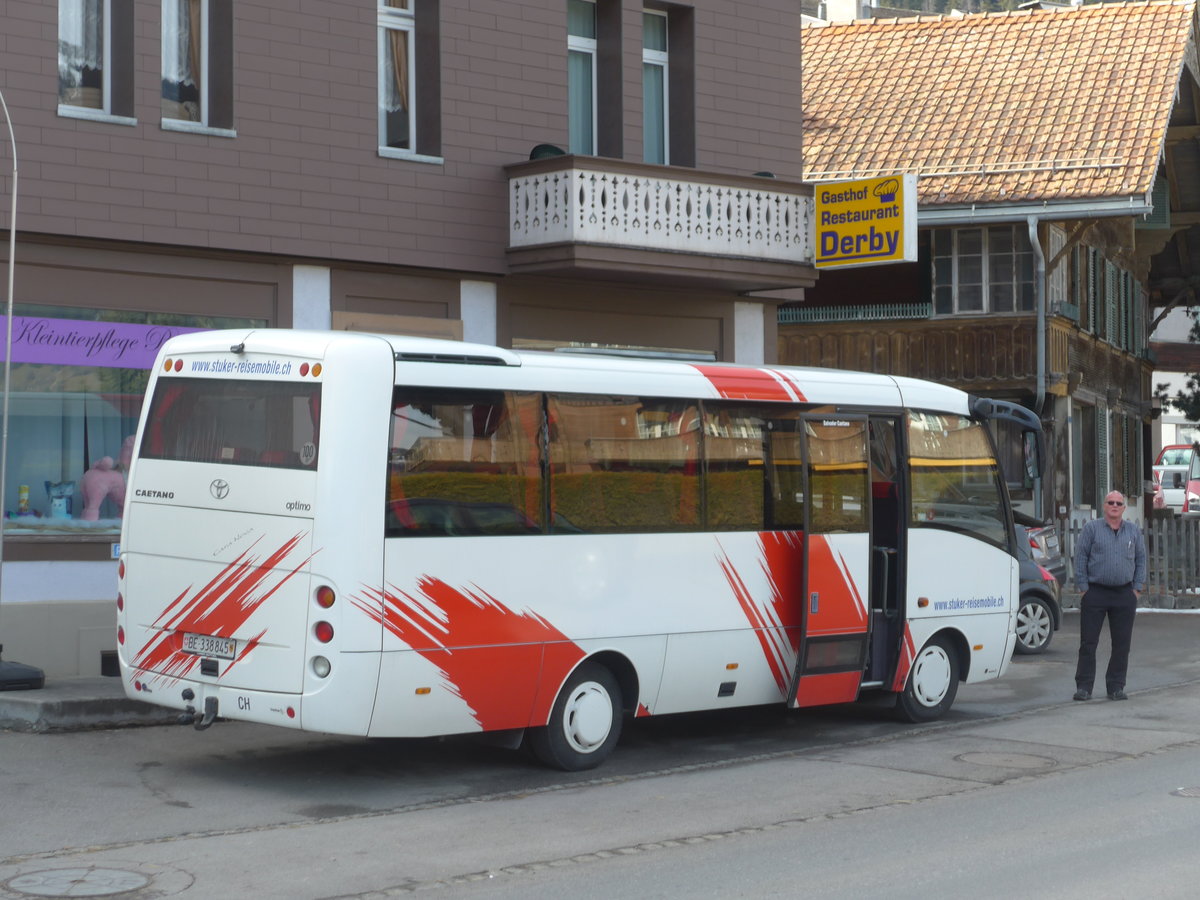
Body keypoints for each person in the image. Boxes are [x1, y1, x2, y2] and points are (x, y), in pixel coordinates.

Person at [1072, 490, 1146, 701]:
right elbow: (1081, 557)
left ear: (1124, 508)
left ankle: (1115, 687)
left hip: (1124, 593)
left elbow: (1141, 559)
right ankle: (1084, 687)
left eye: (1119, 503)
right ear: (1104, 506)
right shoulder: (1091, 529)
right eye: (1110, 502)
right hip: (1095, 592)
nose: (1114, 505)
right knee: (1088, 643)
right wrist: (1084, 587)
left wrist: (1136, 589)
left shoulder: (1132, 531)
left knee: (1122, 644)